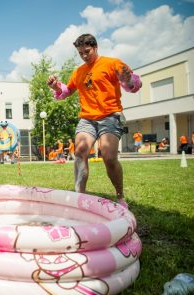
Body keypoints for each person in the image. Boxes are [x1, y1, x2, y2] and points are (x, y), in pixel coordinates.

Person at [46, 33, 142, 209]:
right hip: (87, 118)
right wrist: (57, 87)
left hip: (110, 116)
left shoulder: (113, 63)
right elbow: (67, 91)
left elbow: (133, 85)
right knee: (80, 151)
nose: (84, 55)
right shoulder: (79, 71)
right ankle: (79, 199)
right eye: (80, 53)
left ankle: (120, 196)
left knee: (108, 156)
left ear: (95, 47)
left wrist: (128, 80)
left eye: (87, 51)